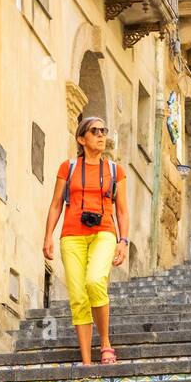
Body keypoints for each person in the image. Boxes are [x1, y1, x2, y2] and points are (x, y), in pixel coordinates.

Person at [43, 115, 130, 366]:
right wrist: (48, 235)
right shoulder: (67, 168)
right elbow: (56, 204)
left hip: (104, 231)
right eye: (95, 131)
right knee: (78, 296)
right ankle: (86, 362)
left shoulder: (116, 171)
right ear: (82, 138)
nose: (102, 135)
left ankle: (105, 344)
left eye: (104, 130)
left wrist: (123, 241)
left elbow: (122, 211)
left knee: (94, 281)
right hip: (71, 236)